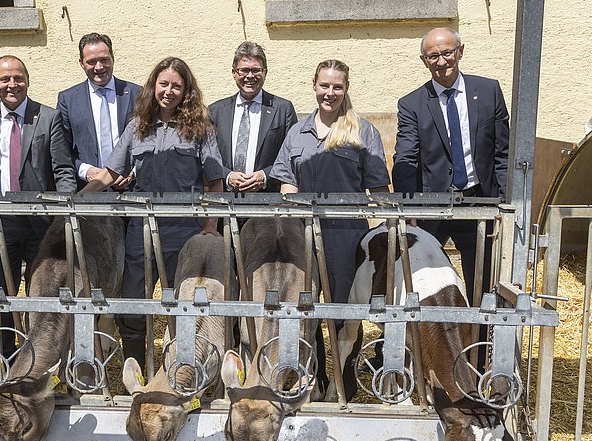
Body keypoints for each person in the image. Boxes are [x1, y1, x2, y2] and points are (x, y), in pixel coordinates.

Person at [84, 57, 225, 370]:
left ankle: (181, 374)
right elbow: (109, 173)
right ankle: (137, 372)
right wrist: (76, 201)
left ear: (186, 90)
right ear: (153, 86)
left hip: (183, 234)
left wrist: (211, 224)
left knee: (182, 309)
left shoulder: (200, 128)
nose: (169, 91)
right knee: (133, 306)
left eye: (177, 85)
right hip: (142, 232)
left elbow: (214, 181)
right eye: (164, 84)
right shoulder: (138, 126)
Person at [270, 59, 391, 398]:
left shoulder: (362, 131)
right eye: (325, 85)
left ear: (346, 88)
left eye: (337, 86)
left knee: (343, 314)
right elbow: (286, 183)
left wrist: (385, 234)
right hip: (302, 238)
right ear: (314, 85)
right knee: (304, 313)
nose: (330, 92)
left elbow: (379, 189)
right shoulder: (297, 132)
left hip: (345, 238)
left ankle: (344, 386)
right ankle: (314, 381)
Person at [392, 27, 509, 304]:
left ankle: (482, 346)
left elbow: (502, 153)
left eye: (447, 53)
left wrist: (505, 203)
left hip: (480, 204)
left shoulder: (489, 91)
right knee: (419, 281)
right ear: (424, 60)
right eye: (433, 56)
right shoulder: (411, 104)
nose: (442, 61)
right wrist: (409, 209)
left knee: (483, 286)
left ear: (460, 52)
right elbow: (405, 160)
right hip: (431, 209)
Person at [0, 55, 77, 356]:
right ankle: (3, 357)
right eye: (5, 79)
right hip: (0, 221)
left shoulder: (48, 117)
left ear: (27, 80)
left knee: (40, 292)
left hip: (40, 223)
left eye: (18, 78)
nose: (12, 84)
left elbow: (62, 170)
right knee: (1, 292)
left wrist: (62, 215)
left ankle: (36, 358)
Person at [209, 41, 297, 193]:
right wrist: (227, 176)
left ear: (265, 72)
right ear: (234, 73)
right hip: (225, 204)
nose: (250, 76)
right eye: (244, 70)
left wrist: (265, 176)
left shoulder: (283, 109)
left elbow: (292, 157)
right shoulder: (215, 111)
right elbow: (206, 157)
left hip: (268, 203)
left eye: (256, 70)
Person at [57, 33, 141, 190]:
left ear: (113, 58)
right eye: (91, 61)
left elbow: (149, 142)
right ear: (81, 63)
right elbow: (61, 151)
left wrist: (134, 171)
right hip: (88, 190)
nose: (99, 67)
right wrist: (86, 171)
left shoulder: (137, 94)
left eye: (104, 60)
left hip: (131, 191)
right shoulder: (68, 100)